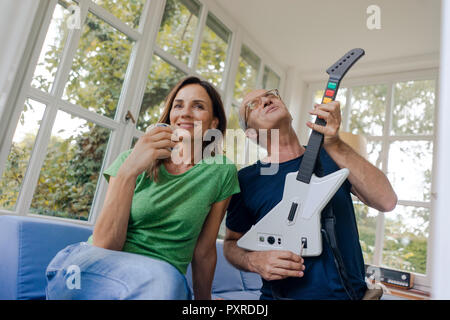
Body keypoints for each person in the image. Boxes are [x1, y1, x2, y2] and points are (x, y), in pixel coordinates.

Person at [45, 76, 240, 300]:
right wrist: (129, 171)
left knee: (164, 284)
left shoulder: (221, 171)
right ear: (170, 117)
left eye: (198, 106)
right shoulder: (131, 158)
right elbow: (105, 245)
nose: (185, 112)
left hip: (160, 281)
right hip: (90, 266)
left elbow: (203, 250)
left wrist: (203, 302)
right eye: (178, 105)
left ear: (214, 123)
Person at [223, 88, 397, 300]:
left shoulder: (334, 155)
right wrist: (253, 261)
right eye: (253, 104)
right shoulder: (246, 180)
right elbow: (231, 243)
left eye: (271, 94)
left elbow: (387, 201)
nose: (266, 100)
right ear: (250, 133)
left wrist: (335, 144)